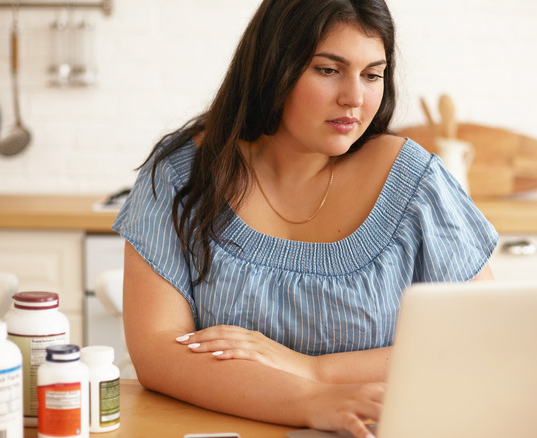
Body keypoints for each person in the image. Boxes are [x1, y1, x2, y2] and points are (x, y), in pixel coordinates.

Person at [112, 0, 498, 437]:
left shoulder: (415, 182)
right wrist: (311, 401)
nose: (354, 97)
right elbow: (158, 352)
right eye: (328, 70)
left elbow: (481, 339)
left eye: (372, 74)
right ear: (274, 68)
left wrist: (314, 371)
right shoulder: (183, 175)